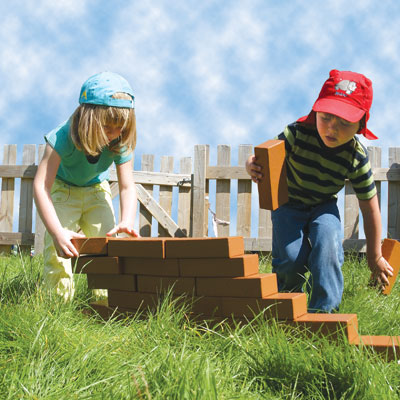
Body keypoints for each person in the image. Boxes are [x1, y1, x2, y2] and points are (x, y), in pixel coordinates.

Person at [246, 69, 393, 312]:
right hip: (288, 203)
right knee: (292, 260)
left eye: (344, 123)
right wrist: (250, 165)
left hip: (323, 205)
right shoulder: (297, 133)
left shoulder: (355, 156)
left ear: (360, 125)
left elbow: (370, 207)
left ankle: (324, 313)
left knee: (328, 246)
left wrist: (375, 256)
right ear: (316, 111)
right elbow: (264, 157)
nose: (331, 128)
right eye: (325, 117)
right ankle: (286, 308)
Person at [33, 71, 138, 300]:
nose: (115, 135)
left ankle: (106, 304)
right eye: (109, 128)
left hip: (96, 190)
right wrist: (57, 232)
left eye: (121, 128)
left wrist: (127, 220)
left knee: (106, 247)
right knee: (58, 250)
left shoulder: (119, 139)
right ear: (89, 119)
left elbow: (127, 186)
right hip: (63, 190)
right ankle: (58, 308)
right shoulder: (61, 137)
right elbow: (41, 186)